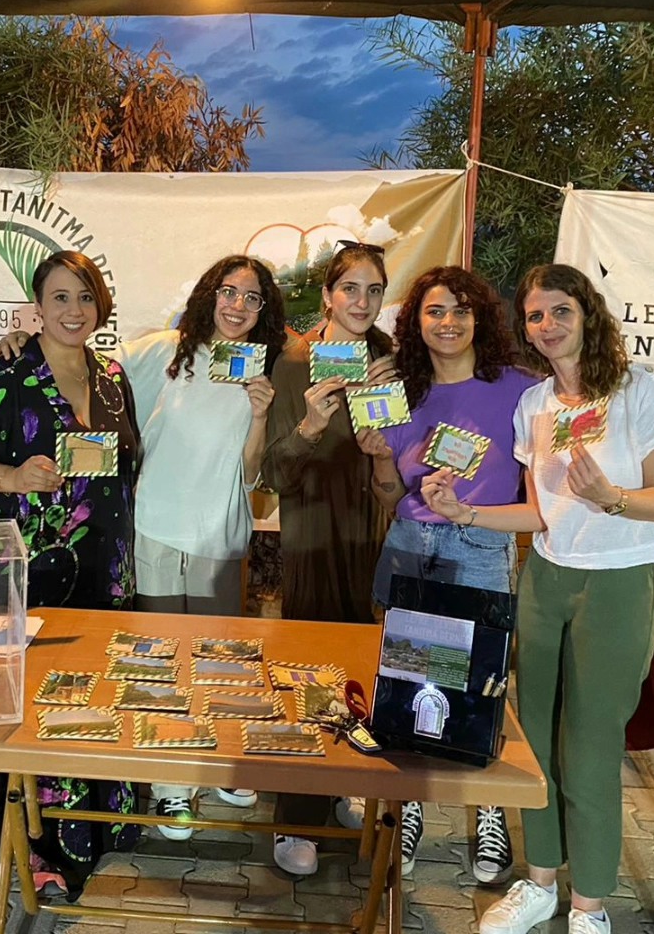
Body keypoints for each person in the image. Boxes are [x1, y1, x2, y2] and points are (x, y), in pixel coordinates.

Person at [423, 264, 654, 934]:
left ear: (587, 313)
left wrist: (611, 498)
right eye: (535, 315)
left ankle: (589, 906)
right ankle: (540, 882)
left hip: (621, 579)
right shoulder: (535, 405)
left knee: (590, 743)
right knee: (534, 737)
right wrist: (464, 513)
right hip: (546, 577)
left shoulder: (639, 389)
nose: (547, 325)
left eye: (561, 310)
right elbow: (541, 513)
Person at [0, 254, 286, 832]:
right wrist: (25, 342)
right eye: (228, 292)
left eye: (252, 298)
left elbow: (253, 473)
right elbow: (80, 364)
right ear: (209, 294)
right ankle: (173, 786)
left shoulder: (262, 369)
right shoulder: (164, 351)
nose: (237, 306)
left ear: (263, 310)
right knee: (160, 664)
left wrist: (258, 417)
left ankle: (218, 763)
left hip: (219, 535)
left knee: (217, 660)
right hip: (153, 526)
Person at [0, 250, 140, 896]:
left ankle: (91, 825)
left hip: (103, 572)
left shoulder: (112, 378)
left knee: (94, 695)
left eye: (85, 297)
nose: (74, 310)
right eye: (60, 298)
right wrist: (14, 477)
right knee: (36, 704)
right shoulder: (6, 375)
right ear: (37, 307)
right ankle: (38, 843)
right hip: (31, 574)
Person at [358, 265, 537, 884]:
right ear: (417, 322)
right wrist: (380, 459)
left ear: (481, 318)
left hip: (481, 546)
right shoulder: (401, 394)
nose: (449, 322)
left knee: (480, 683)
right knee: (411, 679)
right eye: (435, 310)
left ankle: (488, 811)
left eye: (462, 310)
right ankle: (408, 809)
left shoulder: (519, 390)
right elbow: (390, 496)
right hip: (412, 542)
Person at [261, 240, 395, 875]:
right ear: (327, 296)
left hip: (370, 533)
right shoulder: (296, 362)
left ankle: (343, 784)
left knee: (361, 668)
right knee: (309, 671)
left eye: (374, 290)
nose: (362, 302)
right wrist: (311, 425)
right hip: (313, 531)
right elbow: (275, 472)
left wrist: (384, 442)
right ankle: (296, 815)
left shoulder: (389, 358)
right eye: (350, 289)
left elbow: (401, 456)